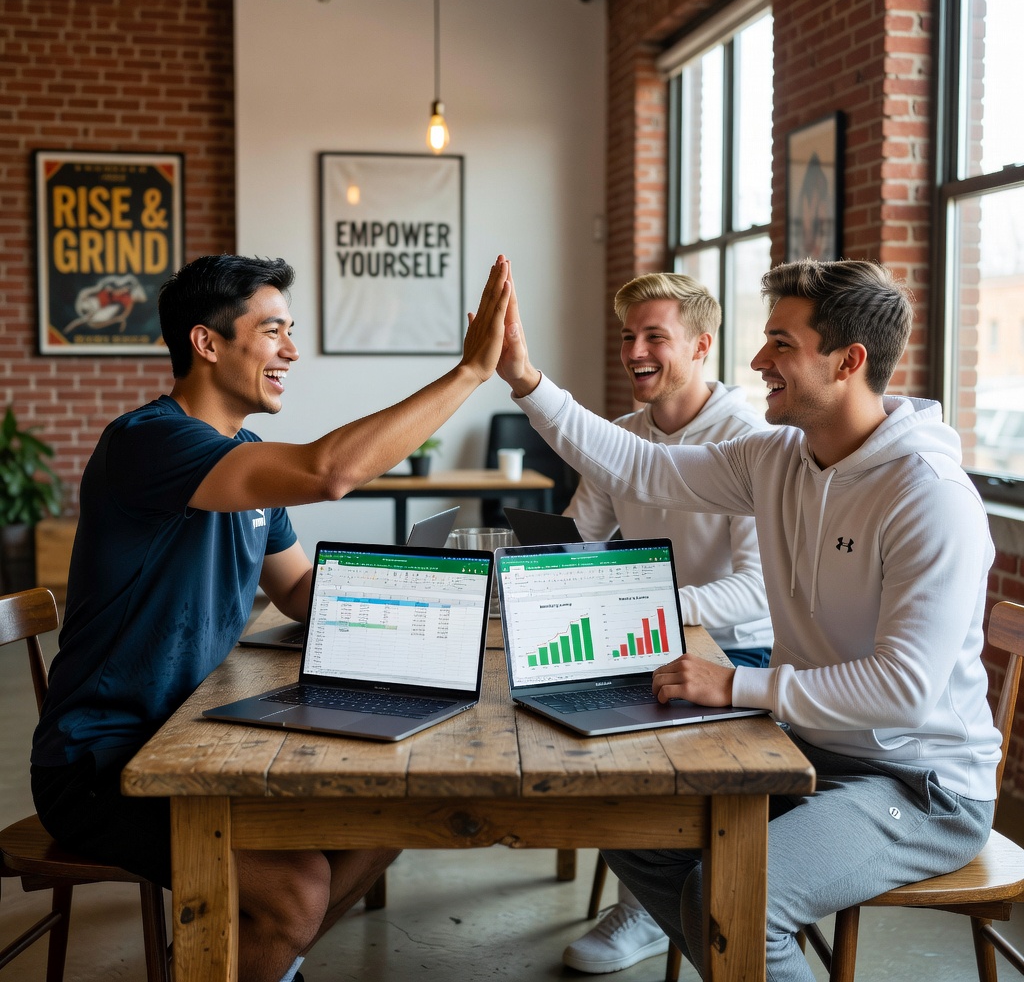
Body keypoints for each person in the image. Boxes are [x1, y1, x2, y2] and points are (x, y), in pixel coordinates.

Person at [496, 257, 1001, 981]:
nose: (758, 359)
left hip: (919, 784)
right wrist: (527, 382)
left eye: (781, 345)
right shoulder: (780, 457)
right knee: (624, 817)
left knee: (741, 899)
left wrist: (734, 685)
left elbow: (904, 690)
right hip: (811, 746)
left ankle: (740, 943)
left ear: (849, 361)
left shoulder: (929, 496)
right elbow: (643, 469)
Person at [30, 252, 513, 982]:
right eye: (275, 330)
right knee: (297, 890)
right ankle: (247, 949)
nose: (292, 350)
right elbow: (331, 472)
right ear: (207, 342)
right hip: (104, 763)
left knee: (389, 823)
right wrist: (470, 373)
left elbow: (299, 589)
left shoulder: (241, 454)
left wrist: (451, 604)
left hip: (194, 737)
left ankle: (238, 960)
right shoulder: (150, 443)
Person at [560, 272, 773, 975]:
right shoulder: (623, 436)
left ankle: (653, 908)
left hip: (743, 652)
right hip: (654, 637)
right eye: (629, 336)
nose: (635, 351)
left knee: (623, 743)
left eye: (656, 336)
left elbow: (755, 589)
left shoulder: (750, 441)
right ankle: (655, 889)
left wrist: (651, 607)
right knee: (562, 721)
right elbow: (575, 538)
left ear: (702, 345)